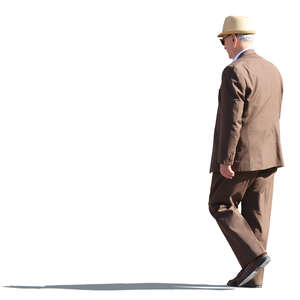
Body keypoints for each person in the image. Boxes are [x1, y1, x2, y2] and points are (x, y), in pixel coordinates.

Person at [208, 16, 284, 288]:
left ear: (234, 39)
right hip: (270, 155)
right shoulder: (273, 70)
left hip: (240, 158)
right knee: (257, 217)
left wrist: (226, 160)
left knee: (220, 204)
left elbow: (232, 119)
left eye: (223, 41)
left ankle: (255, 259)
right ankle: (255, 278)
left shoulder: (234, 71)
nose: (224, 47)